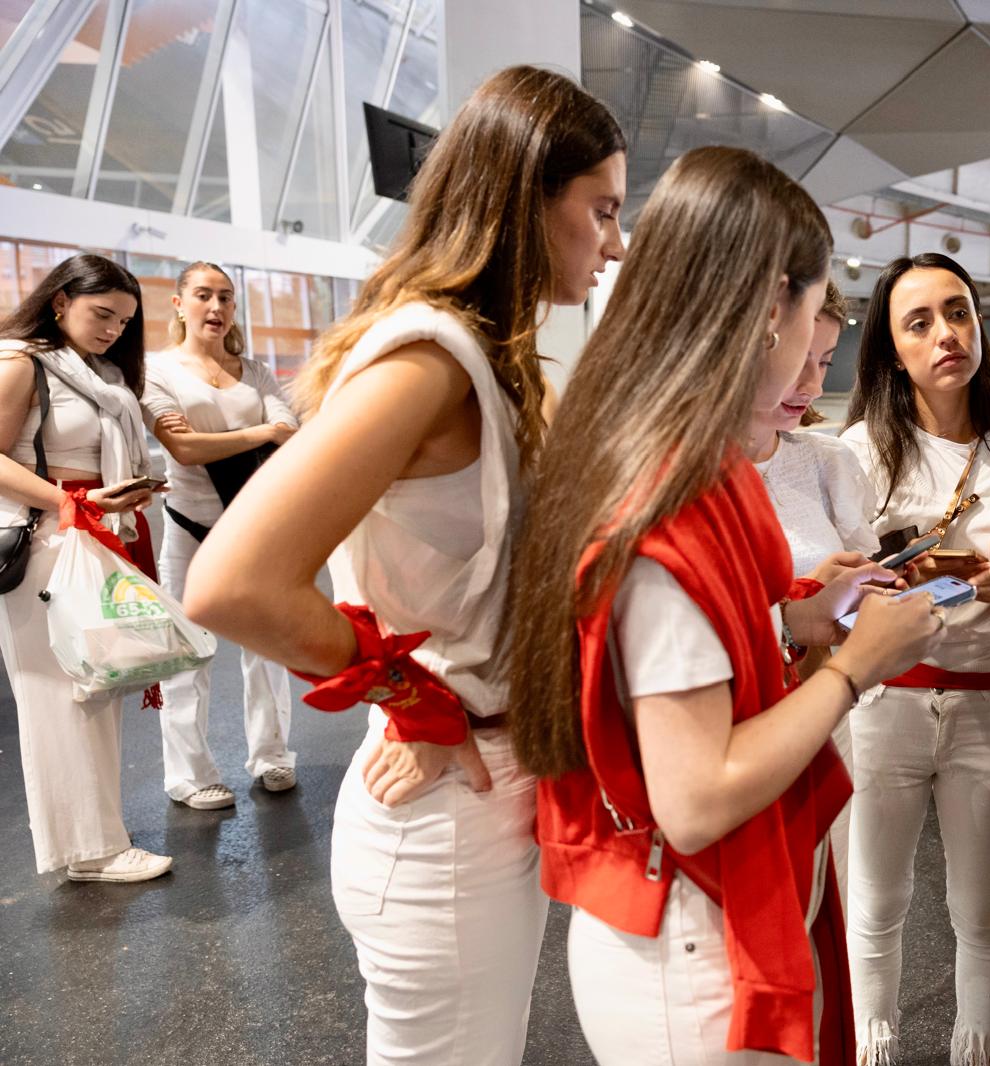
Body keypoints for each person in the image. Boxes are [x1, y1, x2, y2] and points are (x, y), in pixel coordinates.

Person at [183, 67, 626, 1064]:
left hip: (482, 793)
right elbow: (232, 582)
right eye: (599, 210)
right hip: (445, 814)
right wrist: (407, 689)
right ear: (526, 198)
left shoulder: (484, 357)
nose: (614, 242)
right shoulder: (433, 359)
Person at [503, 145, 946, 1066]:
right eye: (814, 312)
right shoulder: (668, 507)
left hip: (709, 926)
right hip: (694, 957)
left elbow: (688, 663)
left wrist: (797, 622)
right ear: (762, 313)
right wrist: (859, 667)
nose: (811, 349)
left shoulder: (700, 469)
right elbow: (697, 796)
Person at [841, 251, 990, 1065]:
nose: (947, 334)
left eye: (960, 311)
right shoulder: (861, 451)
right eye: (921, 322)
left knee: (983, 914)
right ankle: (873, 1050)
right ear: (892, 349)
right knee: (874, 905)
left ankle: (982, 1052)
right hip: (882, 706)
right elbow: (830, 595)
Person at [0, 252, 173, 883]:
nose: (113, 330)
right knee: (57, 696)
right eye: (102, 314)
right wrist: (70, 501)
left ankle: (97, 836)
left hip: (93, 534)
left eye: (124, 322)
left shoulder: (95, 371)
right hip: (47, 540)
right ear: (59, 300)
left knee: (94, 688)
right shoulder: (21, 360)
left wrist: (118, 494)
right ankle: (88, 850)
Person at [140, 261, 298, 810]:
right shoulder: (156, 370)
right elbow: (183, 449)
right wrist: (260, 432)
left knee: (266, 648)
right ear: (179, 304)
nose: (216, 307)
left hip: (253, 526)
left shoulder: (254, 371)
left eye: (226, 297)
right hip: (188, 526)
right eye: (204, 295)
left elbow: (291, 436)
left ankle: (273, 754)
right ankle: (190, 774)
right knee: (185, 652)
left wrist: (247, 436)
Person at [747, 278, 880, 901]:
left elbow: (858, 603)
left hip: (827, 718)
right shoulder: (683, 474)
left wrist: (863, 599)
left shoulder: (827, 463)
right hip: (736, 733)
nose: (810, 383)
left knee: (831, 908)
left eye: (824, 362)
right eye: (798, 358)